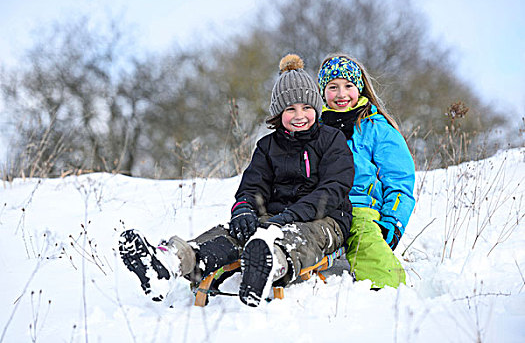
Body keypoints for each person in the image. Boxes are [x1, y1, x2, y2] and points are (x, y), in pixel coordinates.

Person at [119, 54, 355, 307]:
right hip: (272, 217)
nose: (300, 115)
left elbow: (333, 189)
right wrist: (244, 210)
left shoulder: (331, 140)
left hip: (325, 219)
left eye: (307, 107)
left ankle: (269, 263)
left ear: (317, 109)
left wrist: (289, 217)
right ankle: (174, 261)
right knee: (231, 232)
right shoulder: (267, 146)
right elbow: (252, 186)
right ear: (279, 113)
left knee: (298, 236)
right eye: (291, 109)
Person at [317, 53, 416, 289]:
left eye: (348, 86)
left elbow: (399, 181)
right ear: (323, 92)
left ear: (359, 88)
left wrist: (392, 222)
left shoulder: (377, 129)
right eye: (333, 87)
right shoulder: (315, 127)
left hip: (359, 208)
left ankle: (389, 291)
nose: (341, 94)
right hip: (319, 206)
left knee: (366, 244)